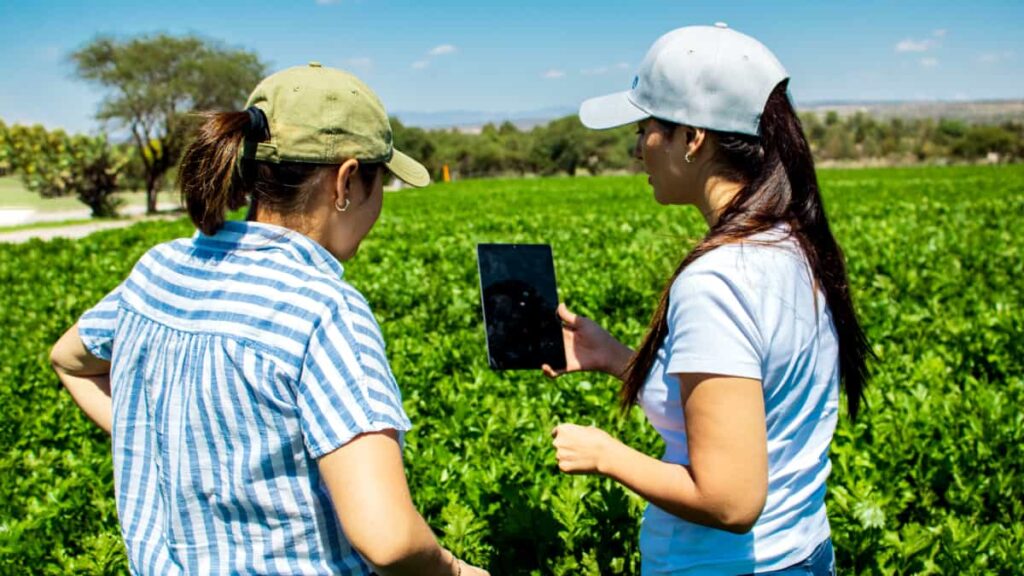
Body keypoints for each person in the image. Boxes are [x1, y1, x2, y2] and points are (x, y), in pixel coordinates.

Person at [49, 63, 487, 576]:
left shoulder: (160, 269)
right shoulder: (323, 310)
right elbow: (388, 538)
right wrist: (454, 570)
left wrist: (163, 443)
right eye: (380, 181)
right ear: (346, 181)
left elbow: (71, 361)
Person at [544, 24, 871, 574]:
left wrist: (607, 455)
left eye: (647, 127)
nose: (638, 147)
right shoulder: (791, 242)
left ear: (692, 138)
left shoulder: (718, 280)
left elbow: (731, 500)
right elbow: (740, 407)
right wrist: (615, 356)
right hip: (803, 552)